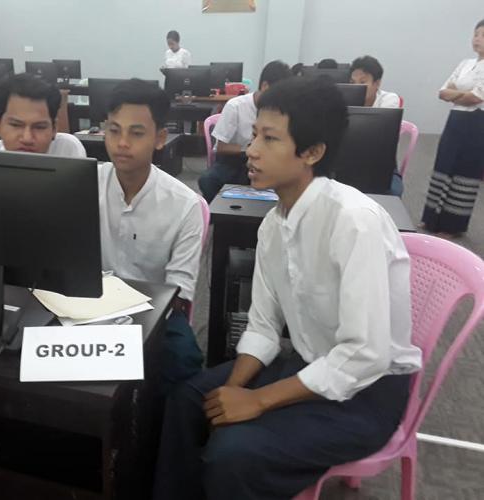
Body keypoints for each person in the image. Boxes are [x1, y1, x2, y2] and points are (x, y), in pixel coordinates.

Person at [153, 77, 422, 500]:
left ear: (312, 153)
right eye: (254, 135)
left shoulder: (354, 222)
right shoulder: (274, 226)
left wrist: (258, 401)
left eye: (270, 138)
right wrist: (235, 390)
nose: (251, 149)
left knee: (233, 452)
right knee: (188, 400)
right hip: (307, 362)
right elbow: (262, 326)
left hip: (367, 392)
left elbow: (364, 355)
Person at [100, 79, 204, 385]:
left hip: (156, 311)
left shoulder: (184, 205)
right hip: (91, 303)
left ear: (159, 138)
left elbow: (179, 292)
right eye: (114, 130)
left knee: (184, 360)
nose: (122, 143)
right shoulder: (83, 184)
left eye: (136, 133)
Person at [421, 19, 484, 238]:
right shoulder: (465, 63)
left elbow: (475, 98)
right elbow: (443, 91)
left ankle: (452, 225)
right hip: (456, 119)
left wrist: (456, 94)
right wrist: (460, 94)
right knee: (444, 164)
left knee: (464, 170)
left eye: (483, 36)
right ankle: (431, 219)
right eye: (476, 34)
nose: (477, 39)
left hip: (477, 123)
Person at [198, 60, 292, 202]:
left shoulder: (281, 109)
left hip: (267, 161)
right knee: (208, 180)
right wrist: (249, 149)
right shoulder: (236, 106)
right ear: (265, 86)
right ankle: (219, 213)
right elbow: (221, 148)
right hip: (235, 161)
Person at [0, 73, 86, 157]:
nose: (27, 139)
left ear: (54, 128)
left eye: (39, 127)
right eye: (16, 125)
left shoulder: (67, 149)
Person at [349, 55, 403, 195]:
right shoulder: (344, 98)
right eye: (352, 82)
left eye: (363, 82)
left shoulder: (389, 99)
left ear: (377, 83)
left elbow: (379, 135)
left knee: (393, 192)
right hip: (349, 158)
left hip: (380, 161)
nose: (356, 87)